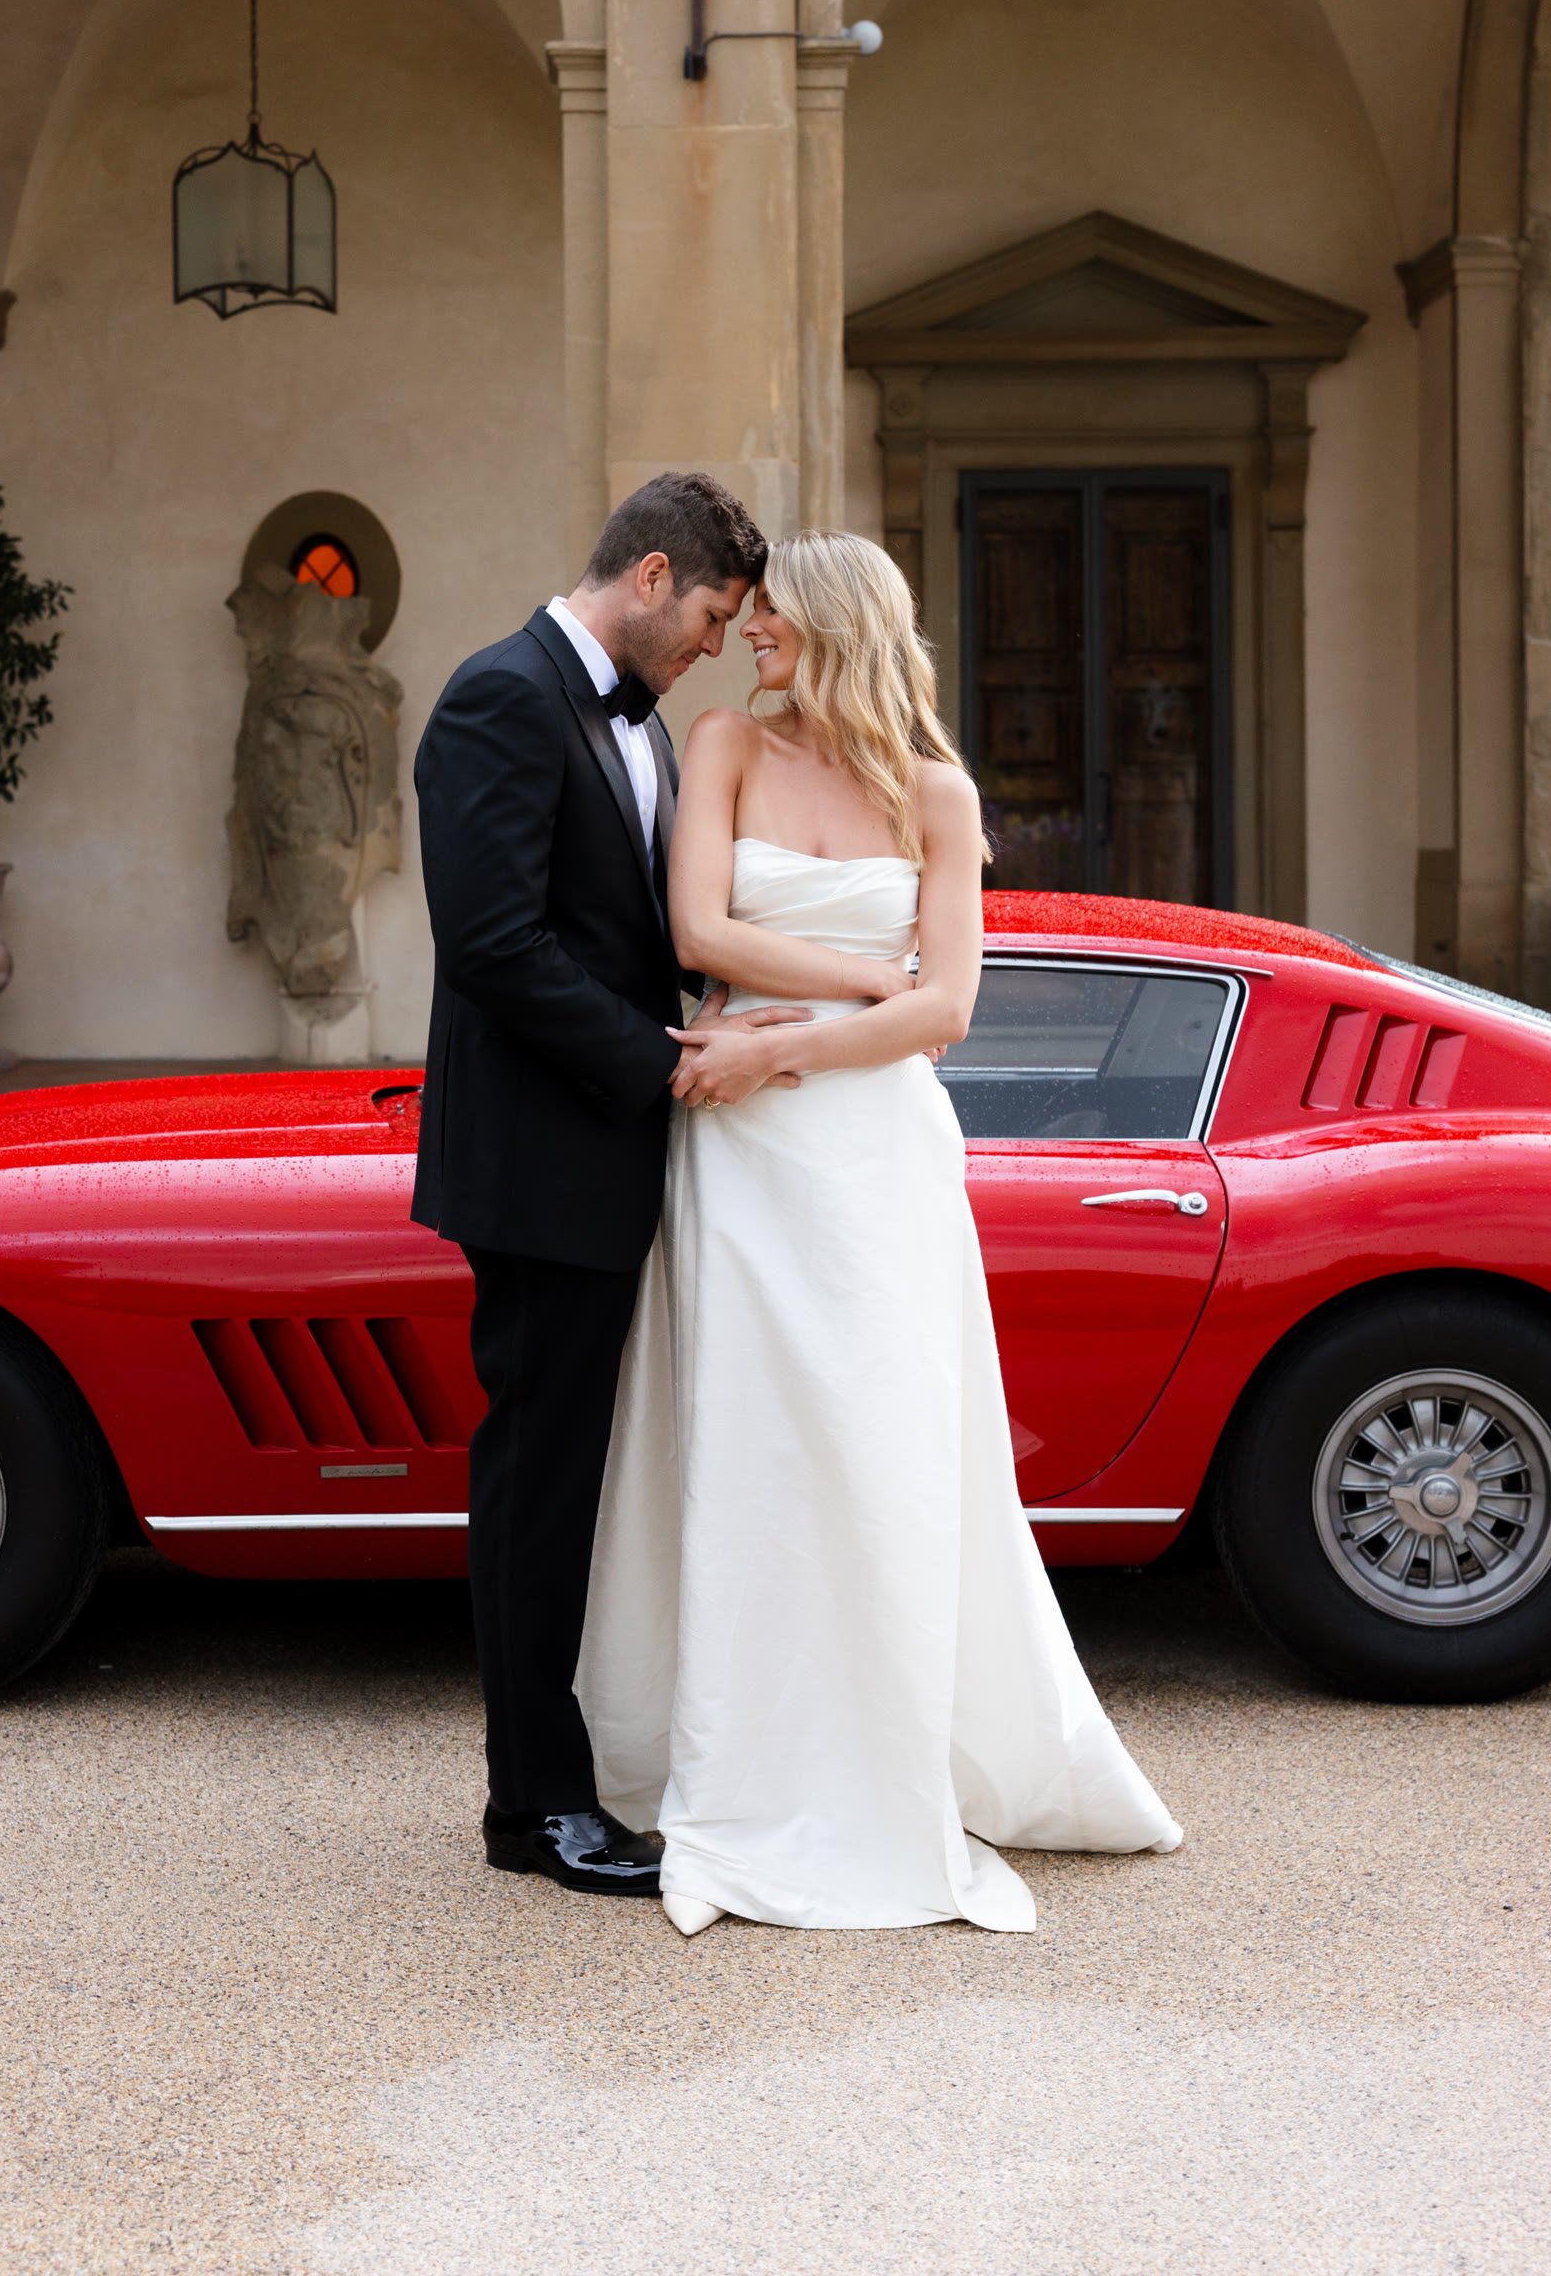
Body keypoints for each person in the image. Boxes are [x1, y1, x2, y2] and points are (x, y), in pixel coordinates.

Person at [576, 529, 1184, 1933]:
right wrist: (864, 978)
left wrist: (785, 1049)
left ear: (840, 621)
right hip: (743, 1161)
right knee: (749, 1443)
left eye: (775, 613)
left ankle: (890, 1757)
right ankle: (742, 1764)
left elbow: (950, 1012)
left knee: (878, 1446)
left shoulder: (938, 793)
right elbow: (701, 929)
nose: (751, 633)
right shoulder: (723, 742)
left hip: (866, 1158)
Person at [414, 471, 815, 1896]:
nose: (713, 644)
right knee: (539, 1483)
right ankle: (529, 1808)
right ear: (651, 576)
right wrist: (669, 1060)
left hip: (617, 1146)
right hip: (541, 1158)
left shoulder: (632, 725)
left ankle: (572, 1766)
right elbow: (494, 947)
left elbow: (628, 929)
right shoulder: (499, 698)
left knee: (584, 1477)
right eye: (710, 614)